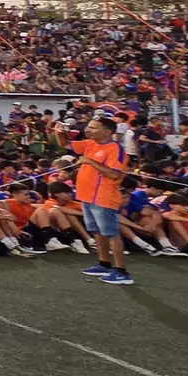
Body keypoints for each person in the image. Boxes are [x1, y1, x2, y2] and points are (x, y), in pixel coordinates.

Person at [58, 115, 135, 285]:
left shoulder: (116, 149)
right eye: (89, 127)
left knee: (111, 234)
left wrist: (90, 162)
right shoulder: (90, 143)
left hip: (103, 197)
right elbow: (65, 144)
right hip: (87, 196)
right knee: (97, 232)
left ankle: (121, 271)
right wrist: (60, 132)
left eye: (93, 128)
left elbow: (115, 174)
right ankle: (104, 263)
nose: (88, 130)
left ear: (107, 131)